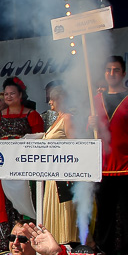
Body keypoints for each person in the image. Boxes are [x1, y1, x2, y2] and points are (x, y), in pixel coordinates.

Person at [89, 56, 128, 255]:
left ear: (123, 74)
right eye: (108, 70)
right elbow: (90, 136)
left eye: (116, 70)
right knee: (104, 212)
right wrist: (90, 124)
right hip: (103, 166)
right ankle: (103, 248)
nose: (112, 73)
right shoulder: (95, 100)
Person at [0, 77, 45, 240]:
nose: (8, 97)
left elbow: (40, 139)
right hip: (3, 165)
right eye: (6, 94)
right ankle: (5, 238)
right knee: (3, 200)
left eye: (12, 93)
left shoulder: (32, 115)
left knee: (25, 197)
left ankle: (28, 236)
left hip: (24, 165)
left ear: (21, 95)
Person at [40, 86, 79, 246]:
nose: (50, 102)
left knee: (63, 210)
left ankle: (67, 242)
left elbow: (74, 145)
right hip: (51, 173)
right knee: (51, 210)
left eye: (53, 98)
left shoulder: (68, 118)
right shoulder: (56, 118)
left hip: (63, 173)